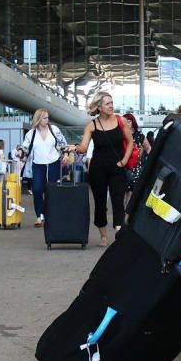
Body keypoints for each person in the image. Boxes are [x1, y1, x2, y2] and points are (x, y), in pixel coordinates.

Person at [70, 92, 132, 248]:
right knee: (100, 203)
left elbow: (130, 142)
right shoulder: (92, 125)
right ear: (99, 107)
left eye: (112, 102)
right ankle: (103, 236)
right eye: (107, 103)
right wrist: (75, 147)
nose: (111, 106)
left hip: (117, 168)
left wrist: (124, 161)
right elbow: (84, 147)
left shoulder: (121, 121)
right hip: (98, 169)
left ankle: (119, 233)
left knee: (118, 201)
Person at [21, 108, 67, 227]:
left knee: (51, 191)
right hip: (38, 165)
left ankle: (50, 215)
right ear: (38, 119)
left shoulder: (54, 129)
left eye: (47, 117)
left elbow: (63, 144)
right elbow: (24, 147)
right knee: (37, 190)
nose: (47, 120)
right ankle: (39, 216)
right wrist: (20, 152)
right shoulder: (31, 134)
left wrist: (66, 154)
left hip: (53, 164)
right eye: (45, 118)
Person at [122, 113, 146, 194]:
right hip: (124, 167)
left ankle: (129, 207)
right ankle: (125, 207)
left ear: (133, 122)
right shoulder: (121, 135)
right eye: (124, 122)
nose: (126, 123)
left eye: (128, 121)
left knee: (132, 193)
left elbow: (149, 148)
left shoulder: (139, 135)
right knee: (124, 192)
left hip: (136, 168)